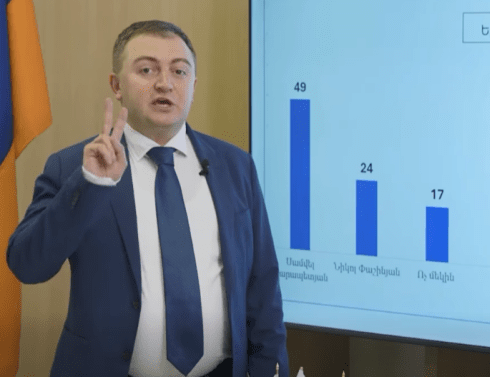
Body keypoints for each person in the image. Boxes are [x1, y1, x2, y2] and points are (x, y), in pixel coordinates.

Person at [6, 20, 289, 377]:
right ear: (116, 86)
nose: (165, 84)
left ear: (193, 85)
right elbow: (27, 264)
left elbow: (263, 285)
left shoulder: (235, 166)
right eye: (146, 70)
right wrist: (90, 183)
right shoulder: (74, 167)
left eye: (179, 71)